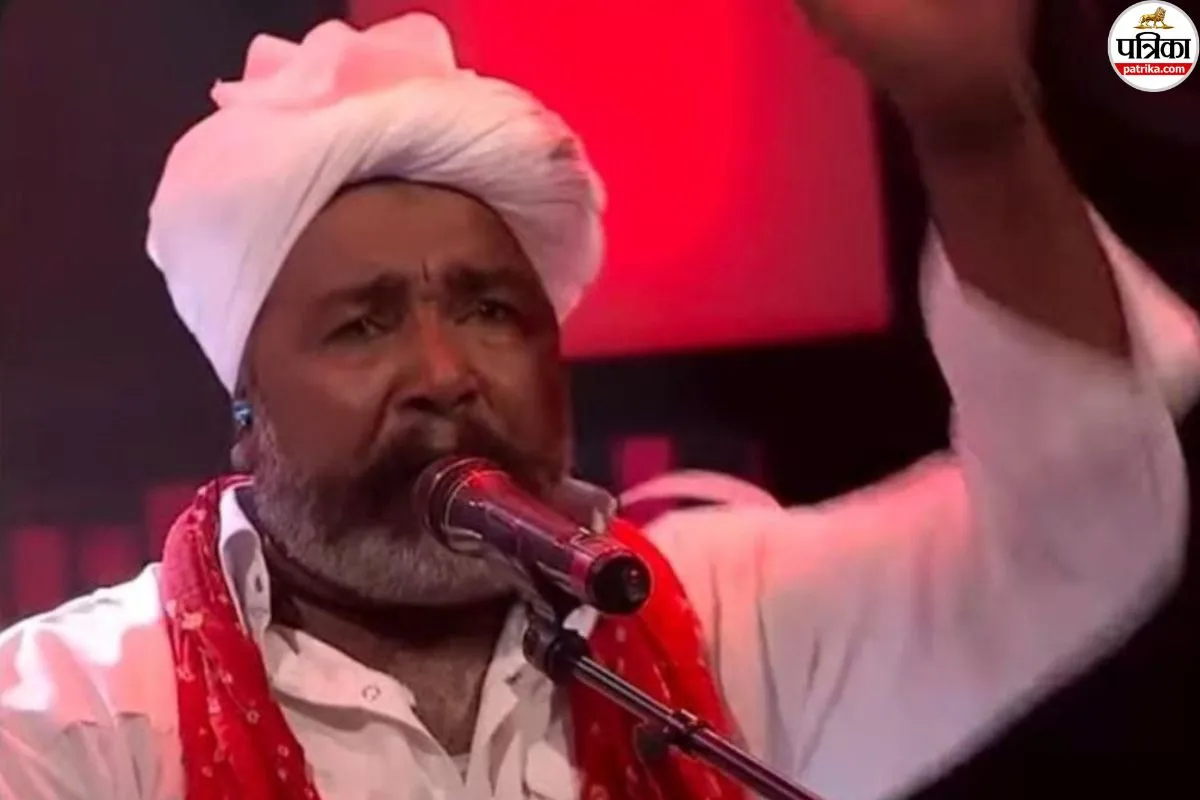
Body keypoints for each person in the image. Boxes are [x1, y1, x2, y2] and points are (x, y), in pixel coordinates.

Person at [0, 4, 1197, 799]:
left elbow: (1074, 534)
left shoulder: (719, 619)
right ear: (247, 412)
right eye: (364, 323)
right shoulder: (71, 718)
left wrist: (979, 131)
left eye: (492, 310)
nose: (445, 372)